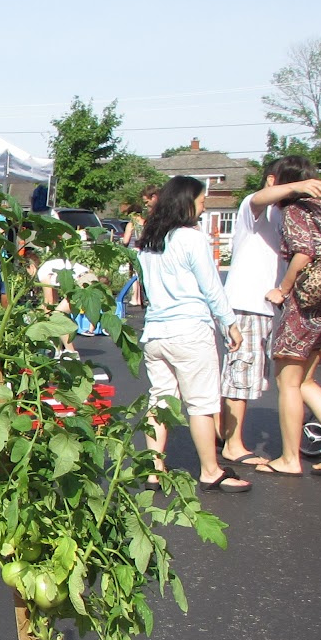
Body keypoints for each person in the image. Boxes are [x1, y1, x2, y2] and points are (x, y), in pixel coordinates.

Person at [133, 176, 250, 493]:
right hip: (190, 330)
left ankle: (154, 471)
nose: (204, 206)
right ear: (186, 203)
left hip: (155, 333)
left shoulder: (148, 241)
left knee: (160, 402)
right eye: (201, 201)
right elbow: (211, 287)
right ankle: (210, 470)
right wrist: (230, 323)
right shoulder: (191, 238)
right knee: (201, 403)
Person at [218, 157, 321, 467]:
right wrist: (294, 186)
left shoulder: (287, 216)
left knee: (249, 373)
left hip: (266, 306)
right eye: (290, 186)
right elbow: (257, 198)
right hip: (246, 303)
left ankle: (224, 432)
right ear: (272, 181)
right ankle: (233, 444)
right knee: (242, 373)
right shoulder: (258, 210)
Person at [258, 172, 321, 476]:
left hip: (308, 304)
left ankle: (290, 459)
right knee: (305, 381)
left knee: (287, 381)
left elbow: (303, 251)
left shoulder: (294, 211)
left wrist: (283, 288)